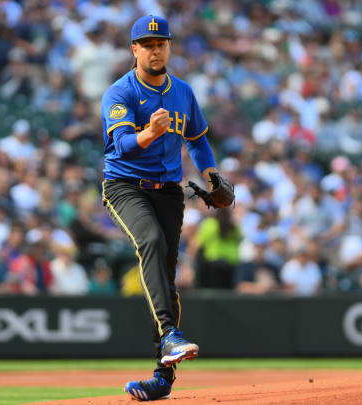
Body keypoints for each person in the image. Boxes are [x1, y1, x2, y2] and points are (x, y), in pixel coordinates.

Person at [100, 15, 230, 401]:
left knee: (166, 280)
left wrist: (211, 175)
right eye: (148, 43)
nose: (156, 49)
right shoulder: (119, 92)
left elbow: (199, 139)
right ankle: (171, 335)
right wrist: (149, 133)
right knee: (151, 243)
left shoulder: (183, 92)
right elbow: (119, 146)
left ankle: (162, 378)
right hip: (124, 186)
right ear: (134, 50)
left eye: (162, 43)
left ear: (169, 47)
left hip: (169, 192)